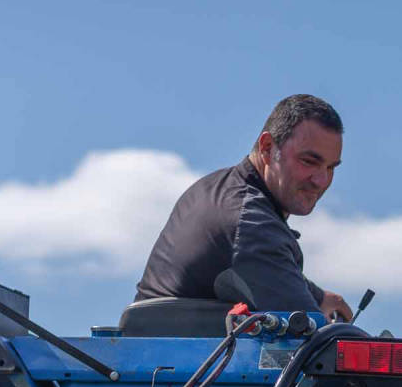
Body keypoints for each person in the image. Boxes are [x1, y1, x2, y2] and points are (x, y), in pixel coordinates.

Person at [136, 95, 353, 321]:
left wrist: (317, 297)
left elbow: (261, 268)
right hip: (181, 353)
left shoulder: (219, 188)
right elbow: (317, 341)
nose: (321, 180)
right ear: (267, 148)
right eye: (309, 161)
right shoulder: (251, 224)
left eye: (331, 168)